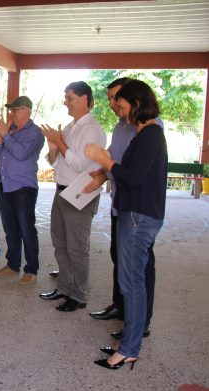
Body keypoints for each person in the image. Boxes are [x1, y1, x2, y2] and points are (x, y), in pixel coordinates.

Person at [84, 80, 167, 370]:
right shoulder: (142, 134)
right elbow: (130, 173)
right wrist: (107, 166)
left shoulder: (150, 135)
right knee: (130, 282)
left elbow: (131, 177)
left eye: (121, 105)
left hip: (138, 217)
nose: (118, 109)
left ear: (137, 104)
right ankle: (129, 341)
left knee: (132, 285)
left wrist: (104, 160)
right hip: (134, 213)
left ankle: (130, 348)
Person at [39, 81, 106, 311]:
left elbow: (79, 164)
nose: (65, 102)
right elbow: (55, 162)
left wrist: (59, 142)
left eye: (70, 98)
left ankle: (79, 295)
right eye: (65, 98)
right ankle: (65, 286)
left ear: (85, 98)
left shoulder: (92, 129)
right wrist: (53, 147)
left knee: (76, 247)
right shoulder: (70, 127)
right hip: (62, 190)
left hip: (80, 193)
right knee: (60, 243)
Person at [0, 96, 45, 285]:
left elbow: (21, 154)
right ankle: (12, 265)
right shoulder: (9, 130)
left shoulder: (35, 133)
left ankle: (31, 269)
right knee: (10, 228)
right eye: (11, 109)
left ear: (27, 110)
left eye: (16, 109)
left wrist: (5, 136)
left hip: (24, 187)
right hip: (6, 184)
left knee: (26, 229)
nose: (12, 113)